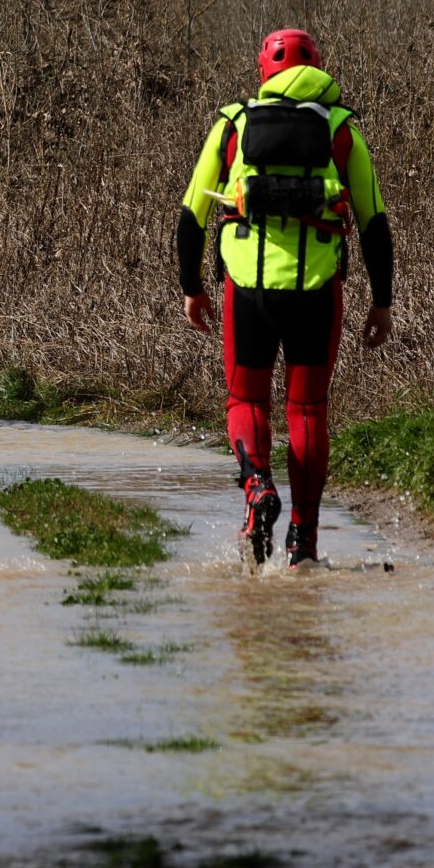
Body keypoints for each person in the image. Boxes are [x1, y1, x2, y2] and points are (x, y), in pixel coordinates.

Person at [178, 29, 394, 565]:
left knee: (246, 401)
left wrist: (192, 287)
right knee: (308, 409)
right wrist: (382, 300)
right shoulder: (342, 129)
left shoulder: (233, 123)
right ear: (318, 69)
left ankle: (257, 488)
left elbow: (191, 214)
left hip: (247, 290)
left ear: (264, 72)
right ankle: (304, 541)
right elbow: (374, 223)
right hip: (317, 293)